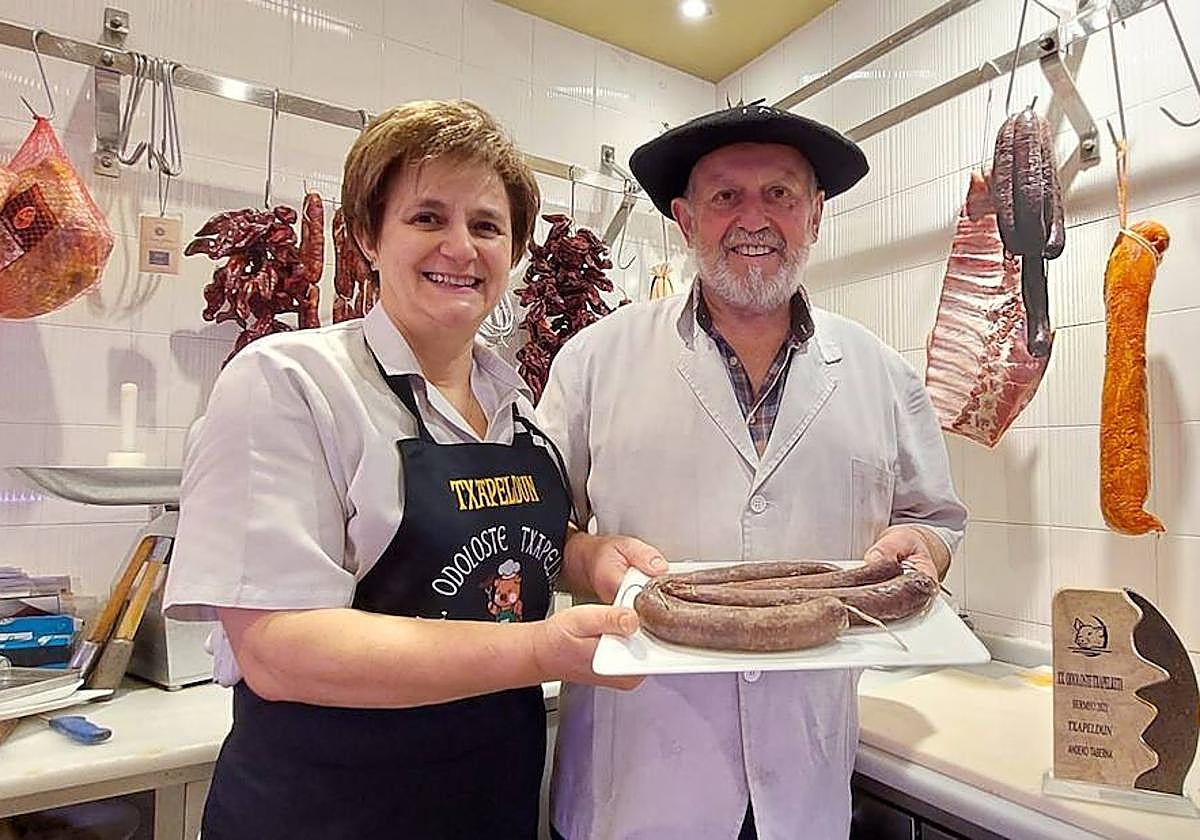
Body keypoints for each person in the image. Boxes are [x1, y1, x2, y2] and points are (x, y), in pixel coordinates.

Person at [162, 99, 658, 840]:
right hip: (325, 814)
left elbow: (502, 545)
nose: (461, 247)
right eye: (428, 218)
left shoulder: (514, 404)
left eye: (487, 226)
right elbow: (278, 649)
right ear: (367, 235)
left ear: (515, 251)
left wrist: (587, 556)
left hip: (488, 806)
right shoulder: (290, 382)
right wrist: (539, 649)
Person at [539, 103, 968, 839]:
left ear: (816, 214)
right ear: (684, 219)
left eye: (780, 194)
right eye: (725, 196)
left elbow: (933, 520)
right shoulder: (594, 360)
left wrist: (922, 550)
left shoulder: (882, 374)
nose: (754, 219)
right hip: (637, 781)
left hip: (802, 779)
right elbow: (539, 529)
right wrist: (590, 556)